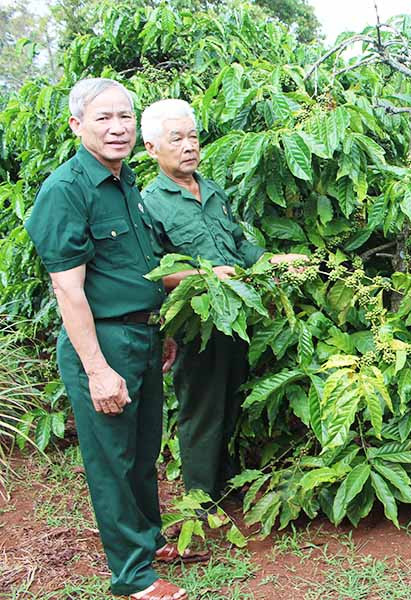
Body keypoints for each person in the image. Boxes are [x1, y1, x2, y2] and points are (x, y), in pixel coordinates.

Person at [25, 79, 189, 600]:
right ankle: (133, 575)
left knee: (142, 452)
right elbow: (68, 290)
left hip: (142, 335)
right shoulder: (66, 190)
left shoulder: (125, 182)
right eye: (103, 118)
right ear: (77, 125)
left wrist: (160, 329)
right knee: (112, 460)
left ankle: (150, 541)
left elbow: (139, 267)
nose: (117, 128)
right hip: (102, 343)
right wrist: (97, 369)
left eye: (124, 117)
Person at [140, 98, 306, 505]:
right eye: (176, 139)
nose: (188, 146)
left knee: (232, 399)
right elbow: (153, 272)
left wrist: (272, 261)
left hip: (237, 316)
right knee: (202, 408)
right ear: (151, 148)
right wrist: (207, 276)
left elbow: (238, 245)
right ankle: (200, 499)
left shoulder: (212, 190)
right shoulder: (150, 202)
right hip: (196, 324)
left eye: (193, 137)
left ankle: (225, 486)